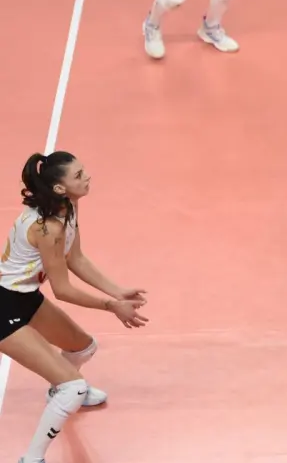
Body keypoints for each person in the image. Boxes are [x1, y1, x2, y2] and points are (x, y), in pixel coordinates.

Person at [0, 152, 148, 463]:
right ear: (59, 188)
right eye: (78, 175)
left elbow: (75, 258)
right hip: (4, 307)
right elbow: (63, 290)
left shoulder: (67, 206)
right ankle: (32, 458)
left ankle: (58, 387)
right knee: (74, 388)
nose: (87, 177)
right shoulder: (46, 228)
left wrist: (117, 291)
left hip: (25, 298)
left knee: (83, 348)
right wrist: (112, 306)